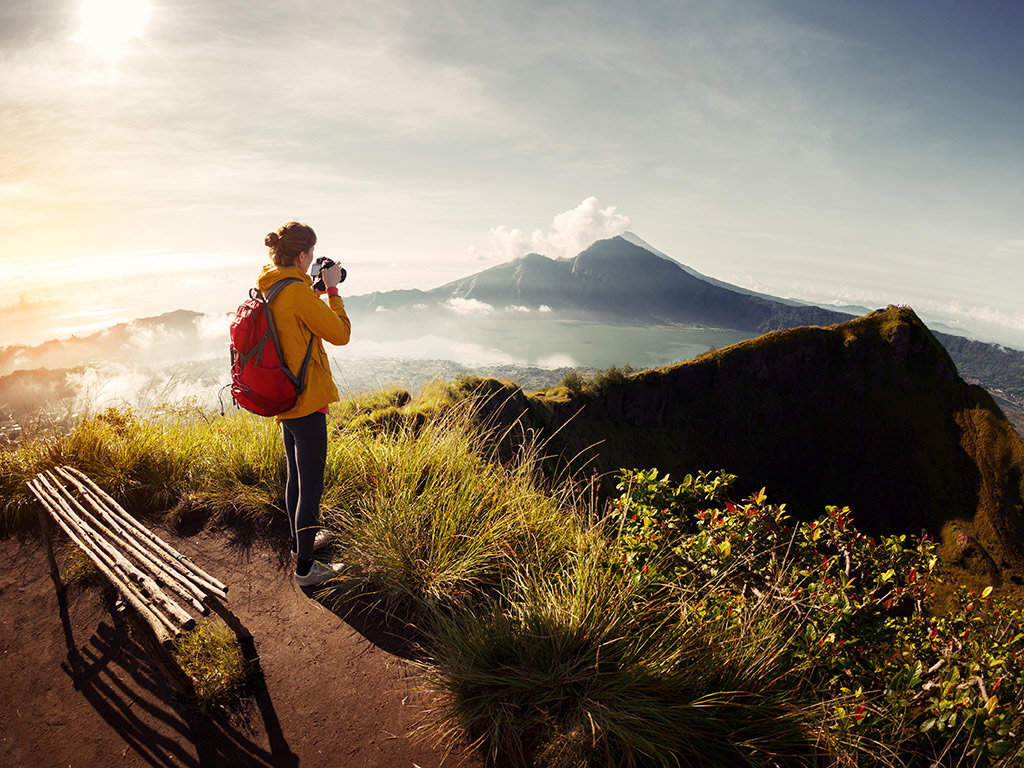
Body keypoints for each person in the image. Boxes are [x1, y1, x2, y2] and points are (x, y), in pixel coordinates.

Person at [259, 221, 351, 586]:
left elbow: (295, 320)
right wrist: (331, 289)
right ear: (301, 255)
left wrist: (311, 287)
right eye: (311, 253)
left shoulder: (275, 285)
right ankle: (305, 570)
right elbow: (340, 334)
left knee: (296, 477)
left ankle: (300, 543)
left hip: (286, 397)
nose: (313, 258)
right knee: (310, 485)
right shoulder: (295, 292)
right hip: (307, 398)